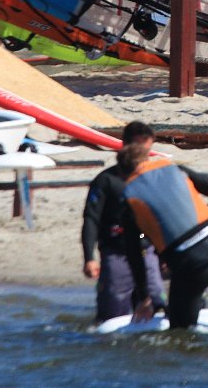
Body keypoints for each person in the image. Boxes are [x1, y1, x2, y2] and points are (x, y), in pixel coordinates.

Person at [120, 143, 208, 331]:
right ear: (147, 160)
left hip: (191, 268)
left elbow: (135, 256)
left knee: (180, 334)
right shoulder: (175, 169)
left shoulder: (129, 199)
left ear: (123, 173)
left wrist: (145, 299)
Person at [81, 121, 166, 323]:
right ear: (125, 145)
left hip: (147, 251)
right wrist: (89, 257)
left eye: (149, 149)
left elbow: (160, 218)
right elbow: (91, 219)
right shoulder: (106, 180)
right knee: (112, 314)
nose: (146, 156)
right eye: (141, 149)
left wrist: (165, 254)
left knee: (157, 305)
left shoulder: (152, 178)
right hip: (116, 253)